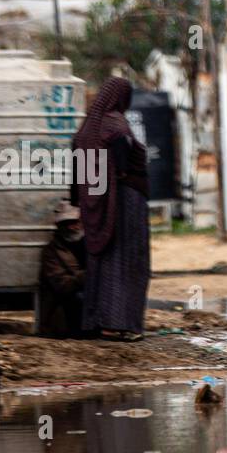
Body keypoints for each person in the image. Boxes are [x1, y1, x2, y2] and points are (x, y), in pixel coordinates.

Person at [70, 77, 150, 342]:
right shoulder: (116, 123)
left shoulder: (85, 130)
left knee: (101, 263)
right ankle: (120, 324)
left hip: (95, 206)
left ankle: (99, 322)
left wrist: (81, 202)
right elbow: (123, 164)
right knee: (128, 262)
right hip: (125, 203)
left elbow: (76, 174)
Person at [38, 199, 87, 338]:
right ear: (60, 226)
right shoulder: (51, 251)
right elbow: (62, 285)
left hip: (84, 295)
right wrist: (87, 276)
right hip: (63, 311)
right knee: (79, 297)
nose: (73, 226)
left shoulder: (89, 245)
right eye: (67, 223)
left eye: (76, 222)